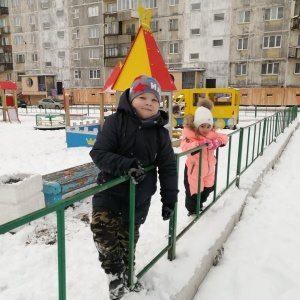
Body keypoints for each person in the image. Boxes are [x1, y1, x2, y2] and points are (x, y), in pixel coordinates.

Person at [90, 75, 178, 300]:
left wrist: (170, 200)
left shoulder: (160, 133)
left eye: (154, 100)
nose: (148, 103)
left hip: (138, 198)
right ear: (131, 99)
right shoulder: (115, 122)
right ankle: (114, 277)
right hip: (109, 192)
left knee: (127, 244)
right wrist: (125, 165)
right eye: (142, 97)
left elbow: (168, 167)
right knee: (103, 233)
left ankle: (129, 276)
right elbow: (98, 153)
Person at [180, 106, 228, 215]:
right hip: (194, 169)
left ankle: (200, 204)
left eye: (208, 126)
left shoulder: (211, 133)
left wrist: (218, 142)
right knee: (194, 192)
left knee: (209, 188)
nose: (205, 129)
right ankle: (192, 212)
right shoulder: (189, 134)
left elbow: (224, 137)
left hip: (209, 169)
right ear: (196, 126)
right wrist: (198, 145)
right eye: (202, 126)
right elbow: (185, 147)